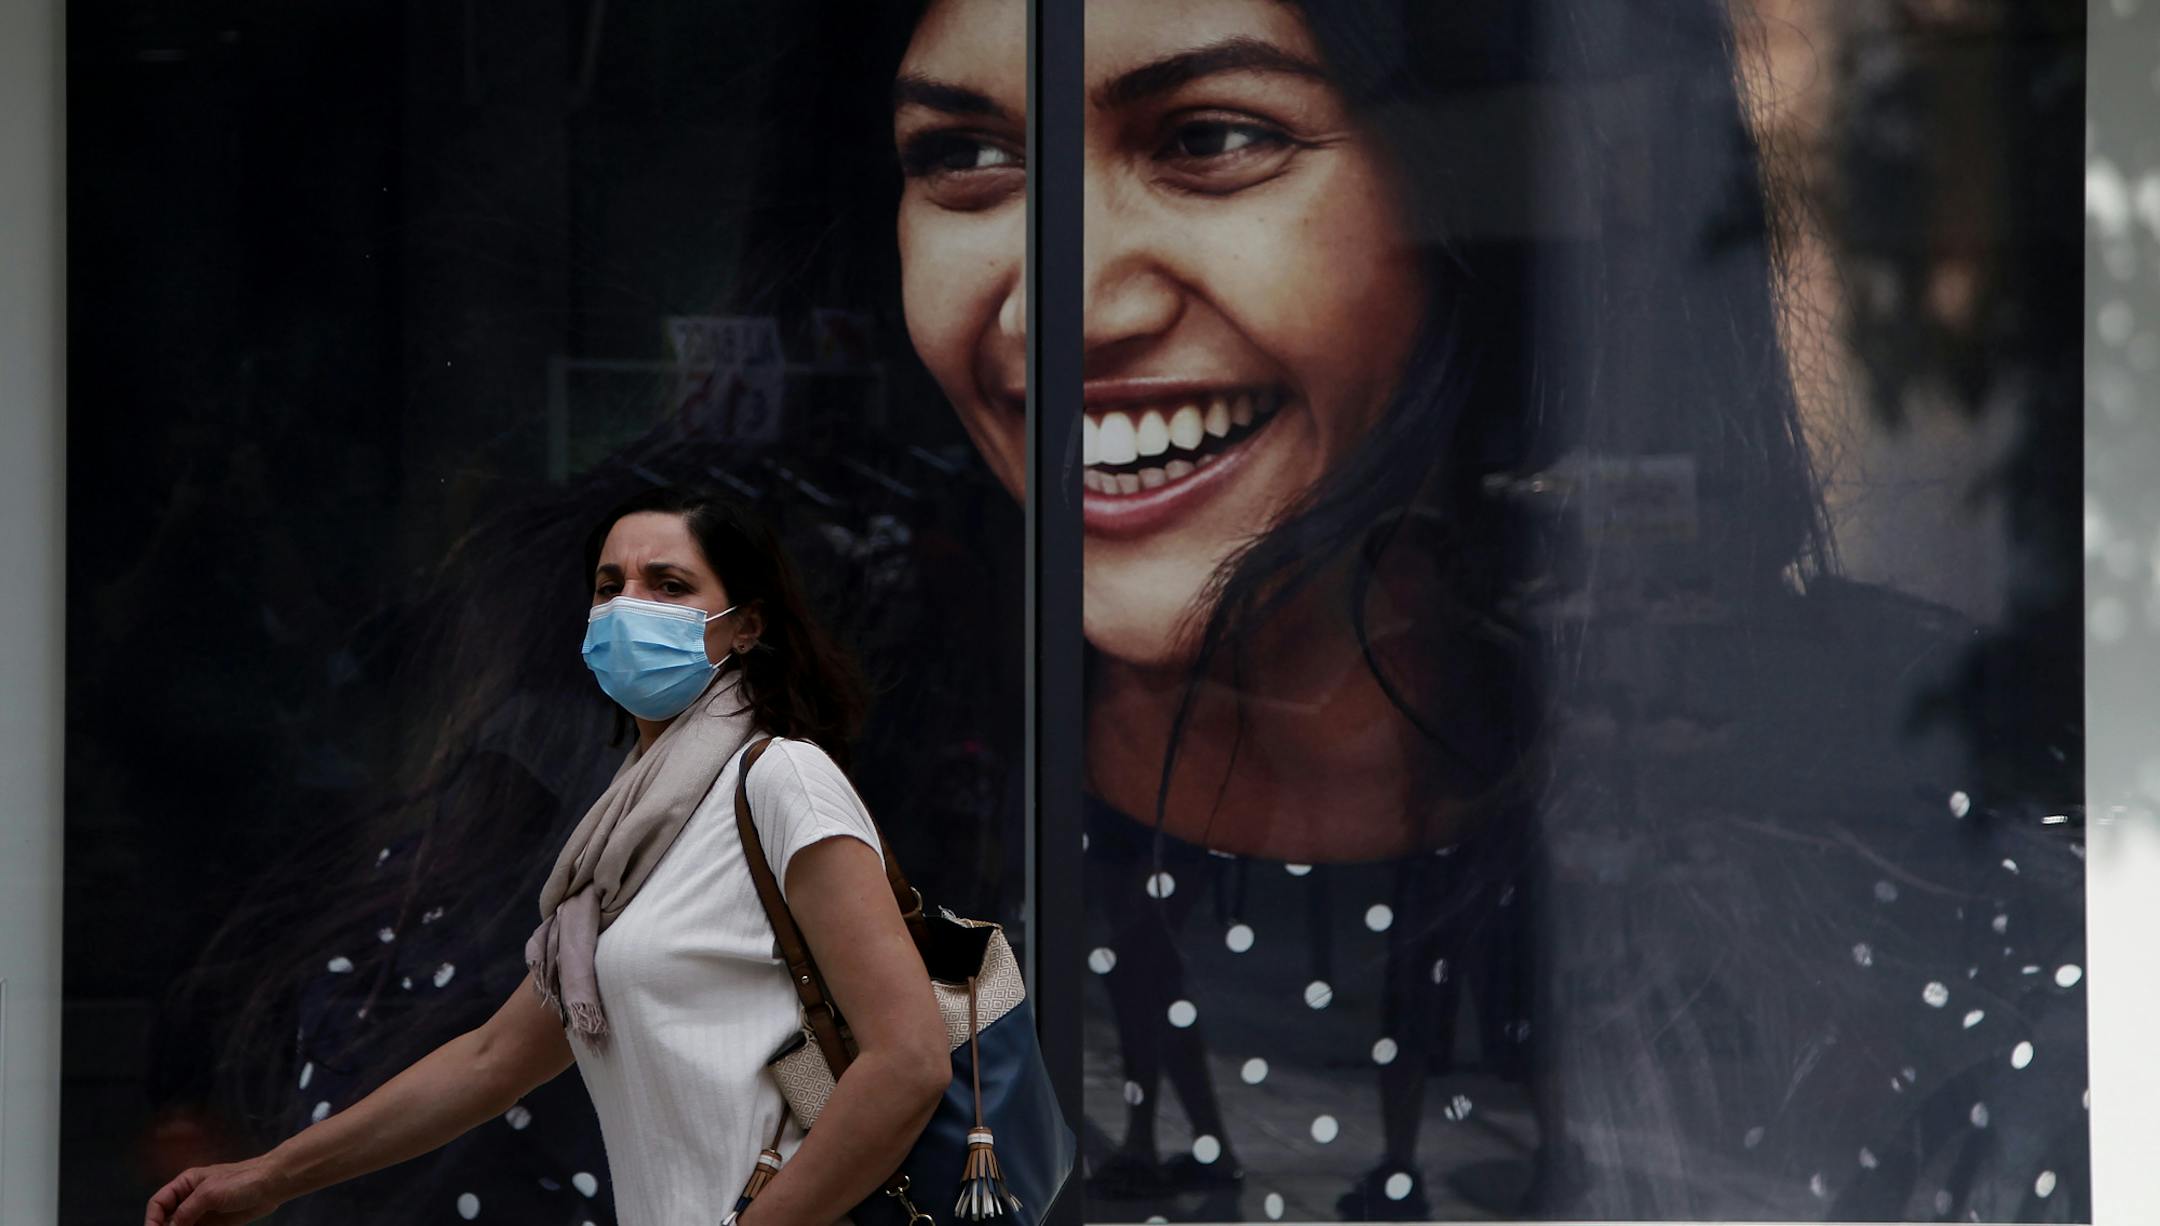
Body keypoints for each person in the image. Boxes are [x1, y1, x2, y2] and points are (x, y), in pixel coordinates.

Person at [896, 0, 2087, 1220]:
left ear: (1492, 197)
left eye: (1214, 138)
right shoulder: (845, 836)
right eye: (965, 155)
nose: (1068, 309)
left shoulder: (1958, 894)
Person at [144, 487, 955, 1226]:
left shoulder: (782, 781)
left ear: (748, 625)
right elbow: (491, 1062)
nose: (629, 607)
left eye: (669, 586)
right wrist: (269, 1177)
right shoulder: (622, 839)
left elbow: (909, 1059)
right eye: (609, 586)